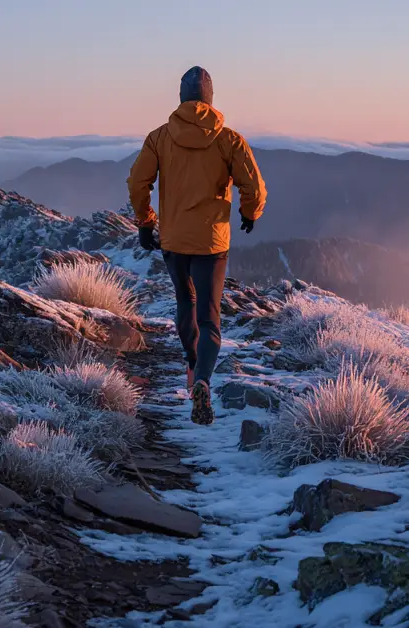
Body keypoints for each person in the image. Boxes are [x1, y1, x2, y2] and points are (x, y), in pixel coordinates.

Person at [127, 66, 267, 425]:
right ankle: (203, 378)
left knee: (183, 302)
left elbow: (137, 182)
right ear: (210, 98)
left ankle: (191, 366)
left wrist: (146, 222)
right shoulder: (228, 140)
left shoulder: (159, 138)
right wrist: (249, 212)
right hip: (211, 243)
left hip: (174, 240)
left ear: (180, 97)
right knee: (209, 317)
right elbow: (254, 185)